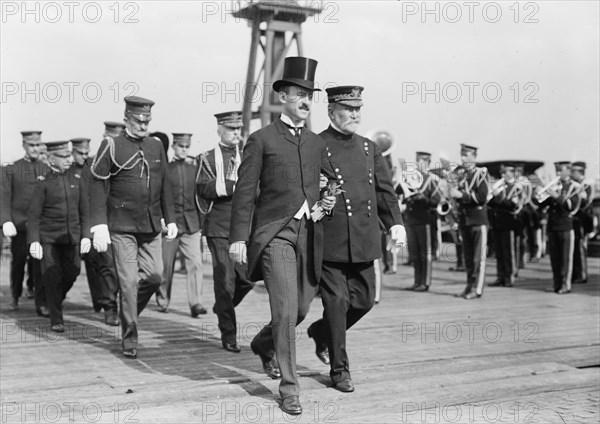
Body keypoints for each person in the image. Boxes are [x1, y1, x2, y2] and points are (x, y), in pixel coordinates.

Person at [228, 57, 336, 416]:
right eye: (300, 94)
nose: (306, 101)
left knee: (301, 309)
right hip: (275, 234)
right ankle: (290, 388)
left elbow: (332, 180)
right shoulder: (261, 139)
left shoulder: (315, 142)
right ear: (282, 97)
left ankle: (263, 342)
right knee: (286, 310)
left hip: (310, 233)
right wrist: (238, 238)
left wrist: (327, 201)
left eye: (310, 95)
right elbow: (245, 192)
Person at [306, 85, 405, 393]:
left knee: (363, 301)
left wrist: (396, 224)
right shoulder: (315, 144)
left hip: (363, 239)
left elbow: (384, 191)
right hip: (331, 239)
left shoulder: (367, 147)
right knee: (336, 304)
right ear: (332, 111)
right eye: (348, 109)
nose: (354, 114)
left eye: (358, 109)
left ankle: (320, 332)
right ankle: (339, 370)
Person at [89, 96, 177, 358]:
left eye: (147, 121)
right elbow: (96, 184)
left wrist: (170, 218)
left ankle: (128, 311)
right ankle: (130, 336)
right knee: (128, 283)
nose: (143, 125)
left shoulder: (156, 145)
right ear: (127, 118)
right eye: (138, 120)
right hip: (122, 227)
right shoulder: (112, 145)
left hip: (150, 226)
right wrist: (99, 225)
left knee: (155, 276)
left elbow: (165, 184)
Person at [197, 112, 255, 352]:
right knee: (225, 282)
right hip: (219, 228)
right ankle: (229, 334)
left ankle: (223, 307)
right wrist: (233, 184)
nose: (236, 134)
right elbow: (203, 188)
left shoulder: (250, 157)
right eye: (231, 129)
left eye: (238, 129)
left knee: (247, 280)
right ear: (220, 130)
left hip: (244, 228)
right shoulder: (208, 158)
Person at [27, 141, 91, 332]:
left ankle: (50, 298)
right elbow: (33, 216)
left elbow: (85, 212)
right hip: (49, 239)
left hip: (71, 238)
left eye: (68, 155)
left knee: (73, 272)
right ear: (50, 158)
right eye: (63, 156)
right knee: (53, 275)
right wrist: (33, 241)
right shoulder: (43, 183)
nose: (68, 159)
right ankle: (56, 318)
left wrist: (86, 236)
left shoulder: (77, 180)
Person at [156, 133, 206, 317]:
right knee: (166, 266)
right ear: (174, 147)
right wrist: (162, 220)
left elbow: (201, 197)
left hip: (191, 225)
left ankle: (196, 303)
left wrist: (202, 223)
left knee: (196, 263)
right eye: (181, 146)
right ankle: (163, 300)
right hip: (170, 225)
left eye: (187, 146)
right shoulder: (166, 169)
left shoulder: (194, 169)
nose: (184, 149)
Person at [71, 137, 119, 326]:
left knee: (112, 266)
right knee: (101, 264)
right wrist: (88, 234)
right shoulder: (91, 167)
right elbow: (86, 202)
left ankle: (111, 304)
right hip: (97, 224)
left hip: (120, 223)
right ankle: (106, 305)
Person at [1, 131, 49, 314]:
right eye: (32, 145)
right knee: (18, 263)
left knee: (39, 263)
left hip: (40, 227)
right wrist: (6, 221)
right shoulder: (12, 169)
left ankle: (40, 301)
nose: (35, 149)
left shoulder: (46, 169)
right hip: (19, 226)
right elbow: (4, 197)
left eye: (38, 145)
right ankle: (14, 296)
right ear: (24, 146)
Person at [396, 151, 441, 292]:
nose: (419, 165)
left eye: (423, 162)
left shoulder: (430, 180)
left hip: (424, 220)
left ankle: (425, 282)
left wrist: (423, 199)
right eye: (418, 162)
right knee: (414, 253)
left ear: (427, 163)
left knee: (425, 254)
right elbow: (398, 192)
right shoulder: (410, 177)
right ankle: (417, 282)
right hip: (411, 220)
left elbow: (436, 201)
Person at [451, 144, 490, 300]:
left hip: (478, 220)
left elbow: (482, 197)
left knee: (477, 259)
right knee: (468, 258)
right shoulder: (462, 175)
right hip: (465, 221)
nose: (463, 158)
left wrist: (461, 196)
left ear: (474, 157)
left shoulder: (481, 174)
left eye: (466, 155)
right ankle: (469, 287)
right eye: (462, 155)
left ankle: (477, 289)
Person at [537, 162, 580, 294]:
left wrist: (557, 196)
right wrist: (540, 194)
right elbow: (542, 205)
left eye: (561, 171)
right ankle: (556, 284)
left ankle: (565, 285)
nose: (558, 174)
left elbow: (571, 206)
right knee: (555, 258)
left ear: (568, 171)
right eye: (557, 171)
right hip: (553, 226)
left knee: (566, 258)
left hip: (566, 226)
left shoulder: (574, 187)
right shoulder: (555, 185)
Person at [488, 163, 520, 287]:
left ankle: (509, 277)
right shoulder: (501, 187)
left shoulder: (516, 188)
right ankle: (500, 276)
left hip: (508, 223)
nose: (503, 175)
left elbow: (512, 205)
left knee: (508, 252)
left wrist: (498, 196)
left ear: (512, 173)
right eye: (502, 173)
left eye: (506, 172)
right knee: (499, 253)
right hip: (497, 223)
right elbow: (491, 204)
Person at [571, 161, 593, 284]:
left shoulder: (586, 186)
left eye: (573, 171)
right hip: (574, 220)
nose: (571, 173)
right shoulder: (573, 185)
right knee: (574, 248)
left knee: (580, 248)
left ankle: (581, 274)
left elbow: (586, 204)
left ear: (580, 172)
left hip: (582, 220)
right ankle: (575, 273)